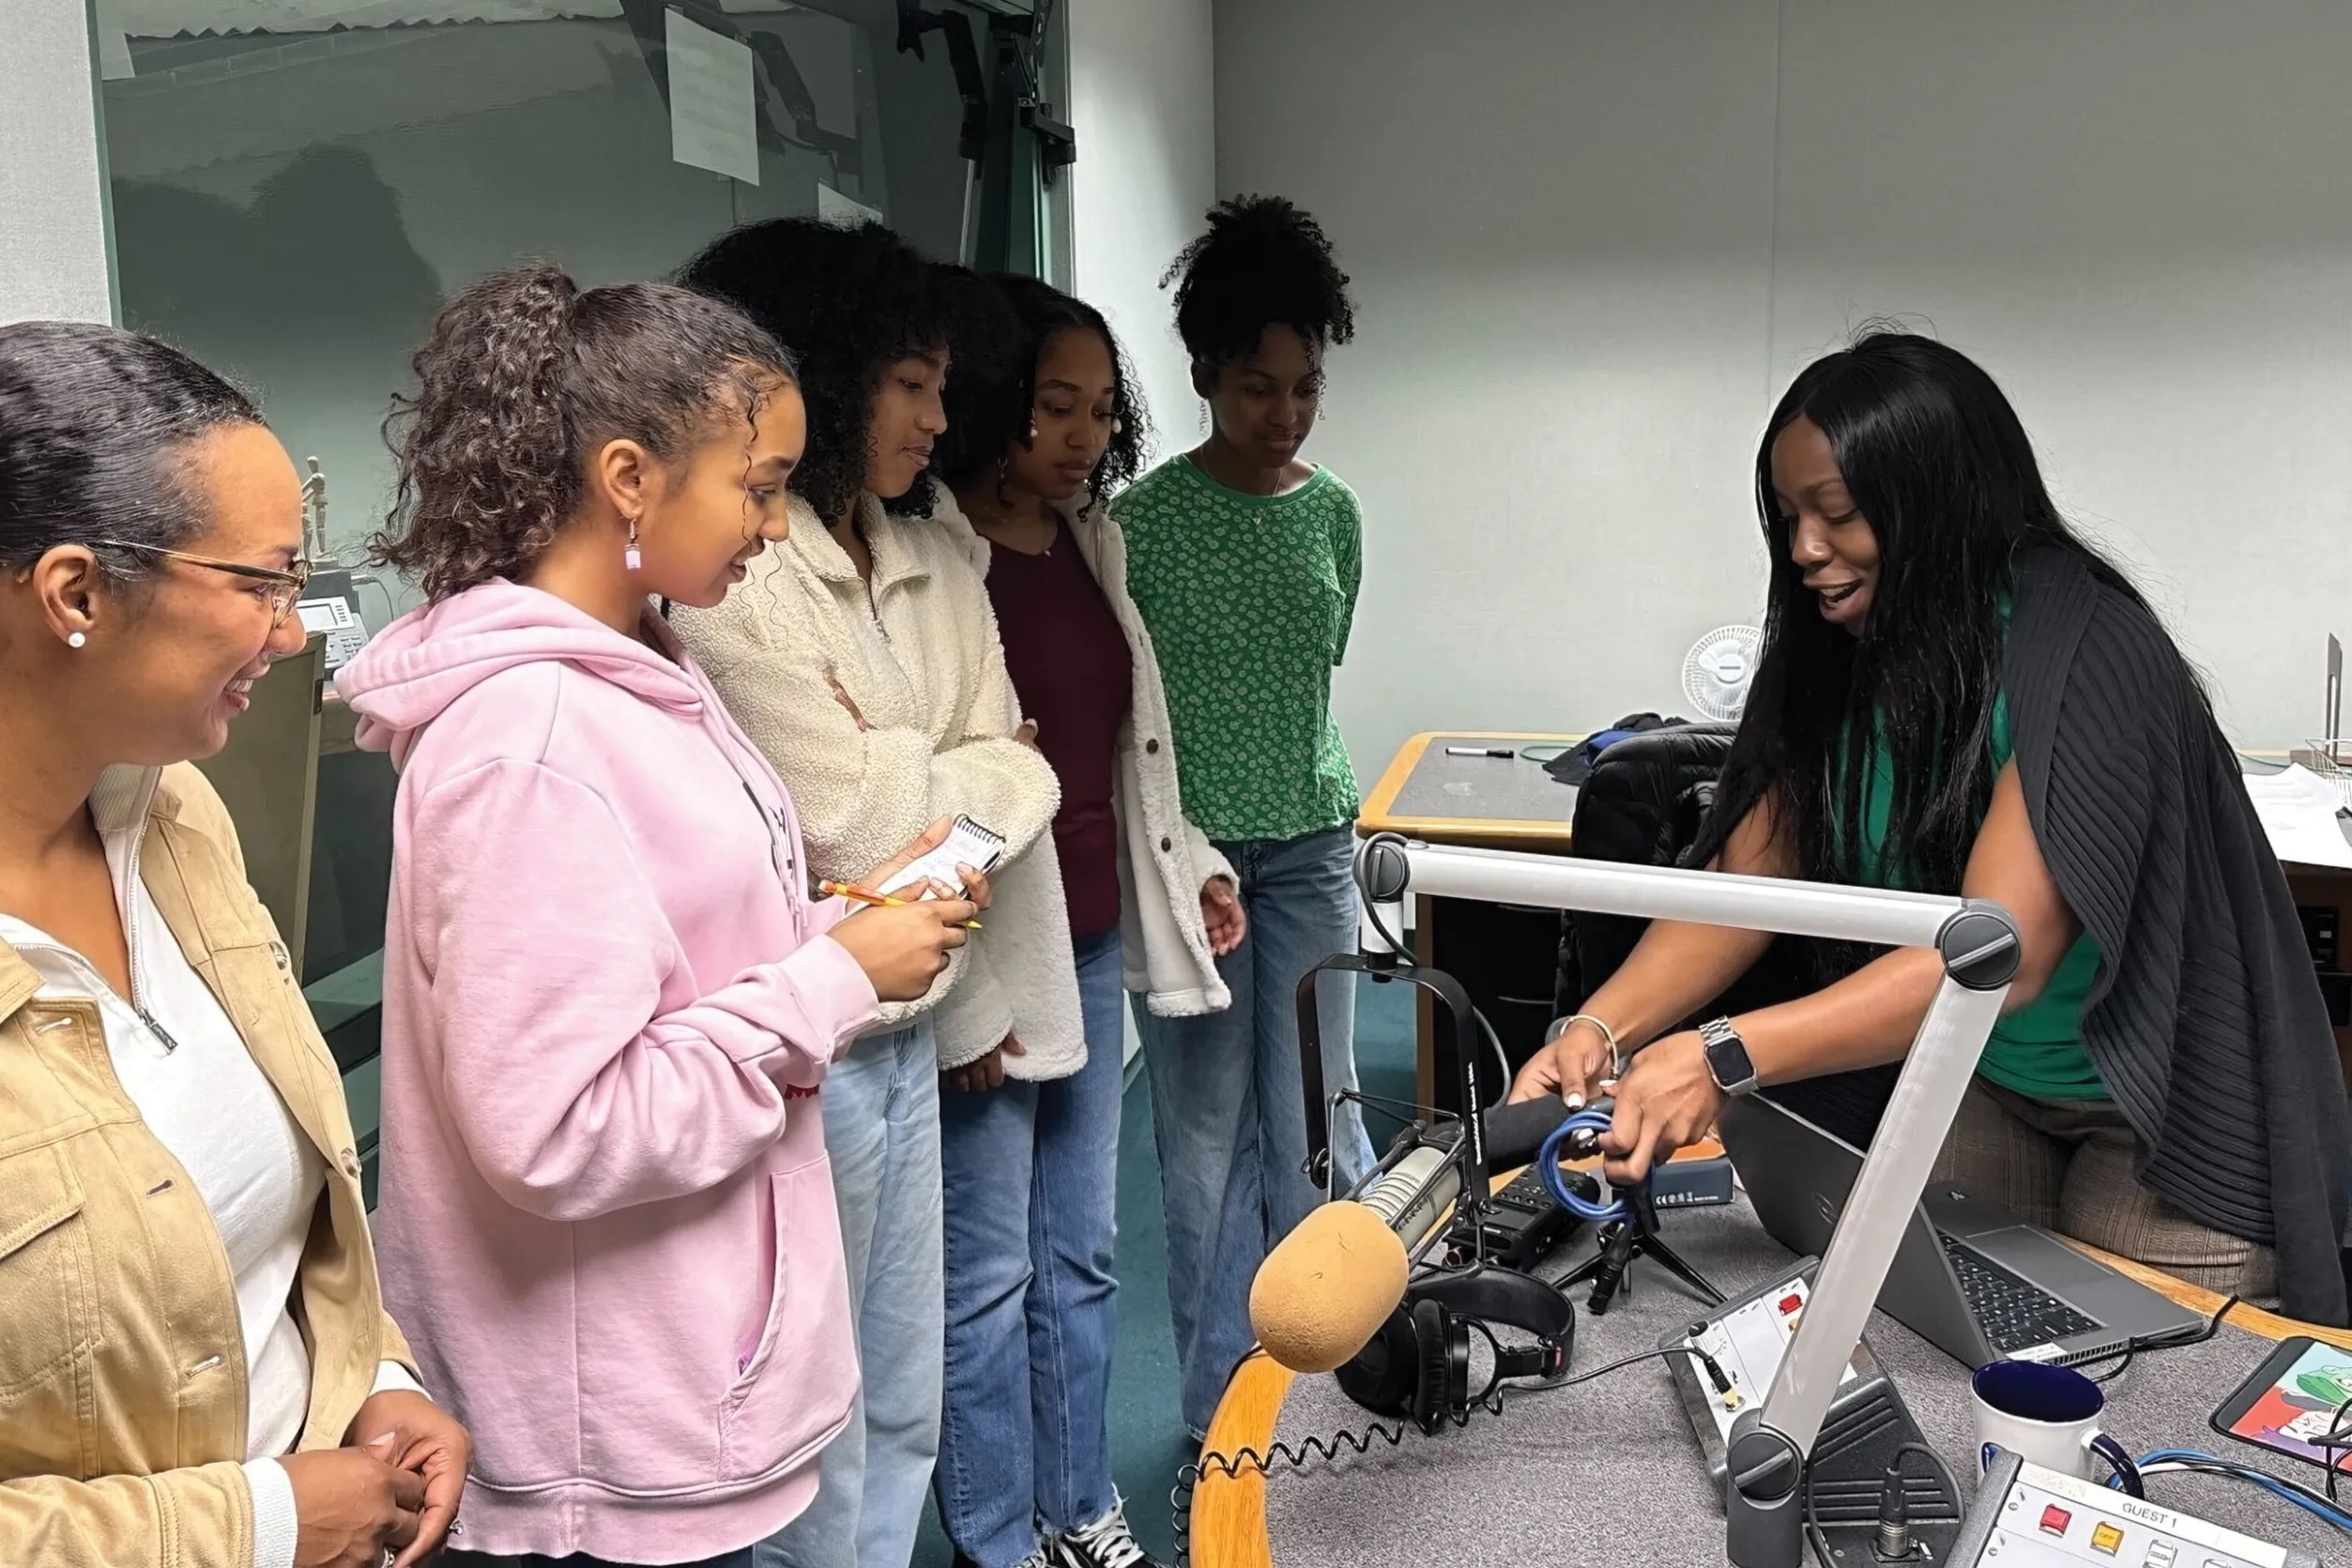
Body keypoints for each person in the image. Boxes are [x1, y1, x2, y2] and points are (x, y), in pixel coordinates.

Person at [339, 265, 984, 1568]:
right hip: (597, 1439)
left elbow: (677, 965)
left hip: (671, 1355)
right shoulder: (530, 740)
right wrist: (834, 981)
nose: (774, 526)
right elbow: (561, 1127)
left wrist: (833, 927)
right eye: (758, 487)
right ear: (629, 477)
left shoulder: (647, 669)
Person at [1511, 331, 2352, 1327]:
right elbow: (1748, 884)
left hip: (2165, 1105)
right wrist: (1599, 1028)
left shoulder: (2087, 650)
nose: (1804, 550)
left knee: (2148, 1377)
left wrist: (1725, 1054)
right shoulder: (1844, 646)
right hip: (1990, 1076)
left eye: (1838, 514)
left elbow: (2001, 952)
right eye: (1789, 516)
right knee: (1946, 1342)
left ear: (1940, 504)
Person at [0, 320, 469, 1568]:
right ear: (76, 593)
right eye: (262, 585)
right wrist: (257, 1525)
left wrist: (373, 1375)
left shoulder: (173, 816)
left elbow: (275, 1234)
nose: (294, 630)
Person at [671, 219, 1066, 1568]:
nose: (937, 420)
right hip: (806, 1037)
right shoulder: (733, 570)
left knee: (900, 1399)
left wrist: (961, 772)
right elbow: (857, 817)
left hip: (908, 1014)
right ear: (827, 374)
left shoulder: (910, 544)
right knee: (811, 1409)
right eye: (909, 384)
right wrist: (981, 769)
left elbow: (975, 777)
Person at [928, 275, 1248, 1568]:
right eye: (1051, 406)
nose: (1079, 436)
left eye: (1099, 411)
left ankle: (1077, 1505)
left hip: (1094, 930)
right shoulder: (931, 555)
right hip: (991, 956)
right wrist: (960, 994)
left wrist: (1191, 863)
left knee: (1084, 1250)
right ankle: (996, 1534)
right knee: (987, 1275)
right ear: (987, 399)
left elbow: (1128, 750)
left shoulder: (1088, 538)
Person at [1109, 194, 1378, 1440]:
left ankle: (1328, 1388)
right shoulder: (1140, 526)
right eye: (1258, 386)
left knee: (1322, 1119)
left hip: (1313, 846)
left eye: (1305, 386)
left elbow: (1319, 662)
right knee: (1204, 1142)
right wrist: (1188, 853)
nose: (1285, 412)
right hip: (1193, 867)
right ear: (1204, 375)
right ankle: (1224, 1413)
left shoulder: (1333, 514)